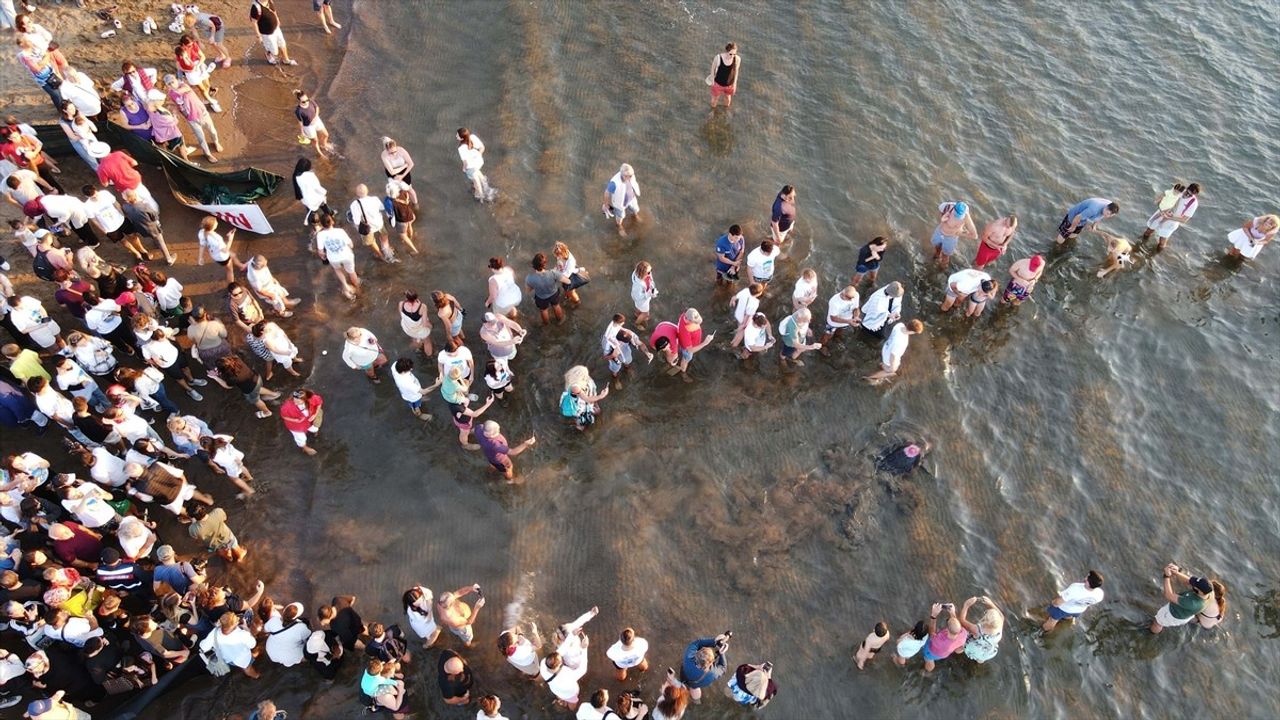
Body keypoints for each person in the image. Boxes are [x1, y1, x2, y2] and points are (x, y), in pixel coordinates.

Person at [164, 74, 221, 162]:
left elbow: (182, 91)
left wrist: (173, 91)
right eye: (169, 84)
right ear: (167, 85)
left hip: (202, 113)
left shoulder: (184, 86)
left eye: (173, 82)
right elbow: (177, 104)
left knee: (212, 131)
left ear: (176, 80)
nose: (172, 84)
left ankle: (216, 142)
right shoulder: (171, 94)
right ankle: (208, 154)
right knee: (201, 138)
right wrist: (184, 114)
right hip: (191, 118)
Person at [1150, 564, 1213, 634]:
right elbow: (1188, 581)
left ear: (1200, 591)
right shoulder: (1209, 592)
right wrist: (1176, 572)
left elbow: (1168, 595)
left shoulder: (1192, 603)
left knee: (1158, 623)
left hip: (1172, 614)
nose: (1193, 585)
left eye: (1195, 586)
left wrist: (1166, 576)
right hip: (1186, 613)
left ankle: (1152, 632)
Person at [122, 189, 175, 265]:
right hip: (152, 228)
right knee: (161, 241)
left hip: (140, 228)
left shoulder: (125, 207)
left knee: (153, 238)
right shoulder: (145, 206)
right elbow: (154, 216)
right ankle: (169, 259)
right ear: (136, 196)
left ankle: (155, 243)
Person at [314, 213, 360, 299]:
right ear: (332, 222)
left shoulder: (320, 235)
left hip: (333, 258)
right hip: (346, 255)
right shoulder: (340, 231)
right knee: (351, 271)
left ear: (322, 224)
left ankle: (345, 285)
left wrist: (323, 256)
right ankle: (357, 287)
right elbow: (351, 245)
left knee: (338, 270)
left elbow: (320, 251)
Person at [200, 611, 260, 678]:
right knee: (247, 668)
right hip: (243, 658)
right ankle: (256, 676)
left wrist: (216, 628)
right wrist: (246, 628)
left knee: (243, 664)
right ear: (234, 625)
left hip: (229, 659)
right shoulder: (241, 634)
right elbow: (252, 644)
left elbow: (203, 646)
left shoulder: (215, 632)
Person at [1142, 183, 1199, 250]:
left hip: (1172, 221)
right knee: (1148, 231)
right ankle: (1140, 246)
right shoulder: (1180, 189)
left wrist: (1169, 218)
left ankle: (1155, 255)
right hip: (1163, 212)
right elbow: (1167, 194)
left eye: (1190, 194)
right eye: (1187, 191)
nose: (1187, 194)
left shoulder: (1193, 203)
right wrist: (1159, 201)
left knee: (1162, 242)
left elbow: (1184, 220)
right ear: (1187, 188)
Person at [865, 318, 924, 383]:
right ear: (912, 332)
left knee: (887, 366)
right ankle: (871, 378)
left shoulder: (900, 325)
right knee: (891, 371)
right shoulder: (902, 342)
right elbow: (893, 356)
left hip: (886, 347)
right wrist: (892, 368)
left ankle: (882, 365)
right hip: (888, 356)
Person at [602, 314, 652, 388]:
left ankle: (627, 368)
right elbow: (605, 357)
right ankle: (616, 379)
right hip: (615, 357)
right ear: (619, 341)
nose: (628, 342)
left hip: (625, 353)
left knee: (627, 361)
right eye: (625, 342)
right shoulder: (607, 343)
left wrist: (647, 352)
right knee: (615, 369)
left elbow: (640, 343)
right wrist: (613, 355)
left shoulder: (628, 333)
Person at [349, 183, 394, 262]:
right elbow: (382, 208)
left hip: (367, 227)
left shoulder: (354, 205)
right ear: (367, 191)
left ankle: (380, 255)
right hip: (379, 223)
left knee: (371, 242)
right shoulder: (375, 199)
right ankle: (386, 250)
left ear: (357, 193)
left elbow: (356, 221)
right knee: (384, 235)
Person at [680, 632, 730, 703]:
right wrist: (722, 654)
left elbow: (697, 643)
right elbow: (723, 668)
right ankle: (697, 701)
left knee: (682, 681)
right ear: (711, 663)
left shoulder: (688, 656)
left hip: (684, 674)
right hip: (697, 683)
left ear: (697, 654)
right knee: (694, 688)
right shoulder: (713, 673)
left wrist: (714, 640)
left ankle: (681, 686)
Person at [196, 216, 244, 284]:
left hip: (214, 254)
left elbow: (202, 245)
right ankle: (231, 285)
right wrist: (230, 238)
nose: (217, 222)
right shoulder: (216, 239)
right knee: (229, 270)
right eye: (216, 222)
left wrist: (200, 257)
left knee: (233, 255)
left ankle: (241, 266)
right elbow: (226, 250)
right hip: (222, 257)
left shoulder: (201, 232)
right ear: (212, 227)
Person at [930, 201, 978, 267]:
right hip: (939, 232)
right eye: (956, 214)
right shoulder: (946, 207)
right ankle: (936, 256)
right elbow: (939, 214)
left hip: (950, 238)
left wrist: (959, 233)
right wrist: (942, 220)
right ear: (954, 208)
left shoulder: (966, 216)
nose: (958, 217)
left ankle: (942, 269)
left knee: (945, 256)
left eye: (960, 216)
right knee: (937, 248)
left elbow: (974, 235)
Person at [922, 602, 967, 672]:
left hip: (931, 652)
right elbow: (956, 627)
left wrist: (933, 615)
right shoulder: (964, 633)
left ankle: (927, 671)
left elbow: (931, 633)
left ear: (947, 629)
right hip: (944, 654)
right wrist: (952, 613)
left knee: (929, 661)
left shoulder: (940, 640)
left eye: (948, 620)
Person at [561, 365, 608, 430]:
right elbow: (587, 399)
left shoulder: (586, 379)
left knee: (597, 411)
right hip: (579, 405)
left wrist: (595, 403)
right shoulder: (575, 387)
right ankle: (578, 424)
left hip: (586, 401)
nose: (587, 376)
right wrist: (601, 396)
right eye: (585, 376)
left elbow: (591, 392)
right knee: (580, 419)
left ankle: (592, 409)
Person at [1056, 197, 1120, 244]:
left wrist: (1094, 226)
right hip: (1074, 216)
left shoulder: (1110, 206)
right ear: (1106, 207)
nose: (1107, 216)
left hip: (1083, 219)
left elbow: (1101, 216)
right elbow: (1077, 217)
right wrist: (1073, 227)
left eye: (1110, 215)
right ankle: (1057, 245)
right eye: (1107, 214)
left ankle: (1067, 244)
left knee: (1073, 235)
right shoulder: (1093, 210)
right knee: (1063, 236)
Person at [959, 596, 1004, 663]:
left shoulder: (977, 630)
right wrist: (991, 604)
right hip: (988, 651)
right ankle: (979, 660)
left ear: (985, 621)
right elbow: (1001, 615)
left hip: (974, 647)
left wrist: (966, 605)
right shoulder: (999, 627)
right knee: (981, 658)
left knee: (962, 641)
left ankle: (960, 649)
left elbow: (962, 620)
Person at [601, 163, 642, 236]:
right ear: (622, 174)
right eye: (627, 176)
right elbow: (607, 193)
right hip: (620, 203)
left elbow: (633, 183)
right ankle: (619, 226)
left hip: (631, 199)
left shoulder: (631, 175)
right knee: (620, 216)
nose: (629, 178)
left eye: (631, 176)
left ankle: (635, 216)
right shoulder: (614, 183)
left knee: (635, 209)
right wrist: (606, 204)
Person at [250, 0, 295, 65]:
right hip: (267, 33)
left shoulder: (269, 1)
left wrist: (277, 18)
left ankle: (286, 59)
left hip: (276, 28)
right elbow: (254, 22)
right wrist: (258, 36)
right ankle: (268, 54)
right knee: (274, 51)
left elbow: (273, 10)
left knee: (282, 43)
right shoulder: (255, 7)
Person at [457, 127, 496, 201]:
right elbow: (482, 148)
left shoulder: (461, 148)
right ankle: (485, 184)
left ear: (462, 138)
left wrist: (464, 169)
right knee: (476, 171)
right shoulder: (473, 137)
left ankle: (480, 196)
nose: (456, 136)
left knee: (475, 182)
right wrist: (478, 155)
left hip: (471, 166)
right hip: (479, 162)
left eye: (458, 135)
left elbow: (465, 163)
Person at [526, 252, 564, 325]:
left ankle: (546, 324)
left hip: (541, 297)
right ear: (545, 264)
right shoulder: (553, 272)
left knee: (543, 310)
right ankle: (560, 320)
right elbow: (566, 280)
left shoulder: (530, 278)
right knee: (556, 305)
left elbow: (528, 290)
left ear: (533, 265)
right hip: (554, 294)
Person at [281, 389, 323, 455]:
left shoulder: (312, 398)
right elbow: (284, 416)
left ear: (305, 399)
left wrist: (315, 415)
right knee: (301, 438)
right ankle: (305, 448)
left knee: (315, 428)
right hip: (295, 426)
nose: (295, 402)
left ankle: (315, 432)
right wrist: (296, 420)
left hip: (308, 422)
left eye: (298, 401)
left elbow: (319, 403)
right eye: (294, 399)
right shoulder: (287, 407)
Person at [294, 91, 333, 158]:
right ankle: (320, 154)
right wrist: (302, 132)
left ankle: (324, 144)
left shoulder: (311, 101)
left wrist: (315, 117)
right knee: (315, 141)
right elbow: (300, 122)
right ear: (299, 101)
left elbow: (317, 108)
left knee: (326, 134)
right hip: (308, 127)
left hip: (317, 120)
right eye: (303, 101)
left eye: (307, 100)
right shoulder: (298, 111)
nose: (306, 102)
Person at [380, 137, 418, 206]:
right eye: (391, 153)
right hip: (392, 174)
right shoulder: (384, 155)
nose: (394, 154)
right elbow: (392, 172)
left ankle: (415, 204)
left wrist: (402, 176)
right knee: (395, 191)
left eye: (395, 151)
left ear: (396, 147)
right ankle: (401, 204)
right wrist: (404, 166)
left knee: (410, 190)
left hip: (404, 173)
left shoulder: (401, 150)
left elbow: (411, 164)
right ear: (386, 150)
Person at [675, 308, 714, 374]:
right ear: (688, 320)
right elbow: (690, 350)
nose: (697, 324)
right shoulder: (685, 332)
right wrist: (705, 343)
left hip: (682, 343)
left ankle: (678, 356)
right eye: (695, 322)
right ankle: (683, 373)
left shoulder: (684, 315)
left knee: (681, 351)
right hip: (687, 349)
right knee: (685, 360)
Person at [292, 157, 330, 225]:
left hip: (306, 200)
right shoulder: (310, 176)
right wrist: (324, 192)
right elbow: (317, 188)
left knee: (312, 213)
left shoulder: (295, 176)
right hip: (316, 198)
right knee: (325, 208)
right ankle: (330, 216)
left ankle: (315, 226)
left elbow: (298, 190)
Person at [729, 283, 764, 349]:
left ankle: (733, 340)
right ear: (758, 294)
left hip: (738, 314)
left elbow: (735, 297)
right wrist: (744, 325)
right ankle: (733, 346)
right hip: (743, 319)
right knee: (741, 333)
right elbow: (748, 315)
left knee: (738, 328)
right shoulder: (755, 302)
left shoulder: (745, 290)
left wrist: (732, 301)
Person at [708, 42, 740, 108]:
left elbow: (736, 71)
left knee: (728, 100)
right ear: (726, 51)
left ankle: (725, 113)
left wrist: (734, 84)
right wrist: (712, 81)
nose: (732, 56)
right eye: (730, 54)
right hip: (718, 84)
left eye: (734, 54)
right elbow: (712, 69)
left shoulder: (737, 59)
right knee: (714, 101)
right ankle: (712, 112)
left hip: (729, 85)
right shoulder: (718, 58)